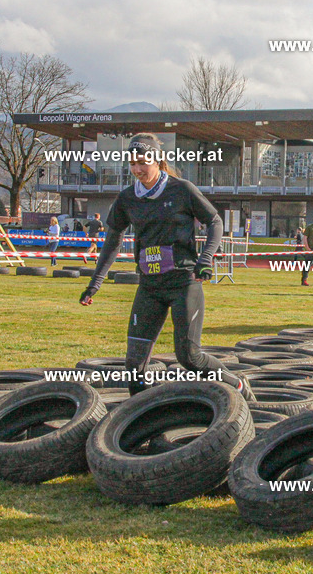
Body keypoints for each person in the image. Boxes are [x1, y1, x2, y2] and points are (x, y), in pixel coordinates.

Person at [78, 133, 254, 401]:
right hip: (149, 287)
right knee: (134, 367)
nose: (137, 170)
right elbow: (112, 242)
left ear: (158, 160)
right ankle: (143, 425)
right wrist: (95, 283)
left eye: (143, 163)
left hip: (184, 283)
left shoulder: (181, 189)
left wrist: (205, 258)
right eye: (132, 164)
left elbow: (215, 221)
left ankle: (237, 385)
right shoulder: (127, 199)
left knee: (190, 358)